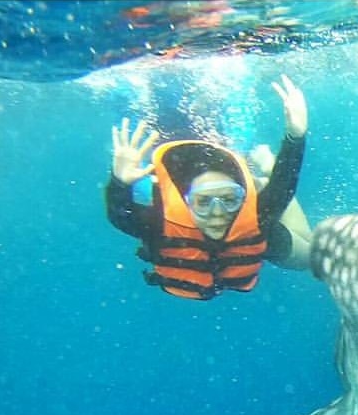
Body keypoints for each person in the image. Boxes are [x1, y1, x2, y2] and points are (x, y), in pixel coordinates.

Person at [105, 74, 311, 300]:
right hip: (174, 169)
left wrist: (295, 136)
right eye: (203, 202)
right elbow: (120, 216)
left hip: (253, 220)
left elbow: (284, 186)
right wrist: (120, 183)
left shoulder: (257, 218)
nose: (217, 213)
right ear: (186, 201)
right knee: (147, 185)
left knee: (308, 257)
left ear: (242, 200)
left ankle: (264, 172)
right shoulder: (160, 222)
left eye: (229, 200)